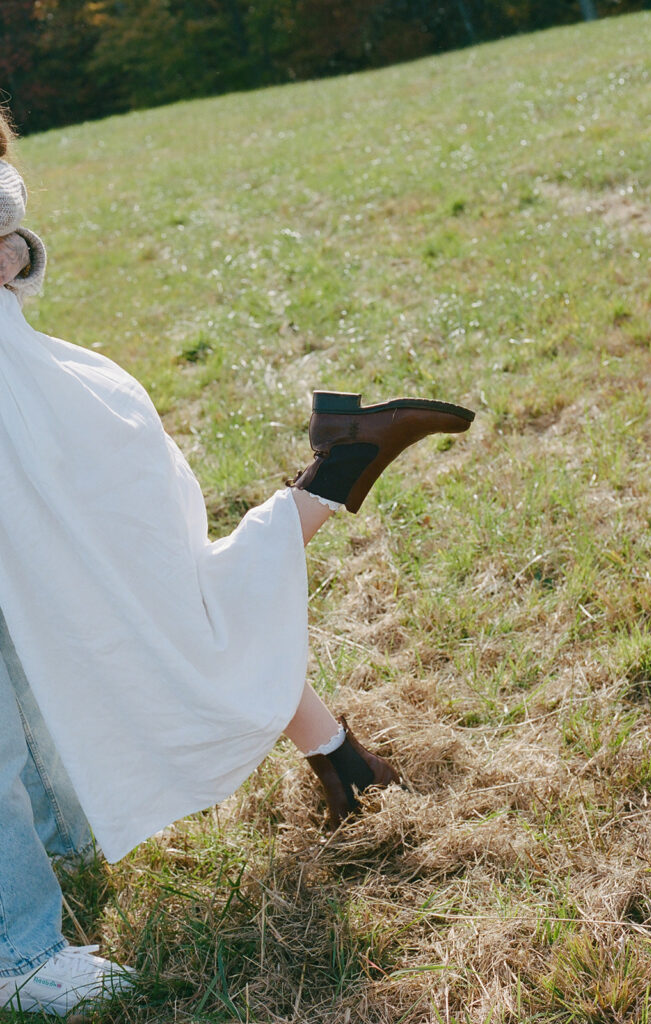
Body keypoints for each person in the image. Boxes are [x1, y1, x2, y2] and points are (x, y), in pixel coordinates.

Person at [0, 111, 474, 1016]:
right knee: (131, 619)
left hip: (26, 425)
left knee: (146, 619)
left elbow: (6, 231)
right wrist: (15, 248)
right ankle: (338, 472)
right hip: (43, 411)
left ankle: (19, 944)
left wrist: (14, 247)